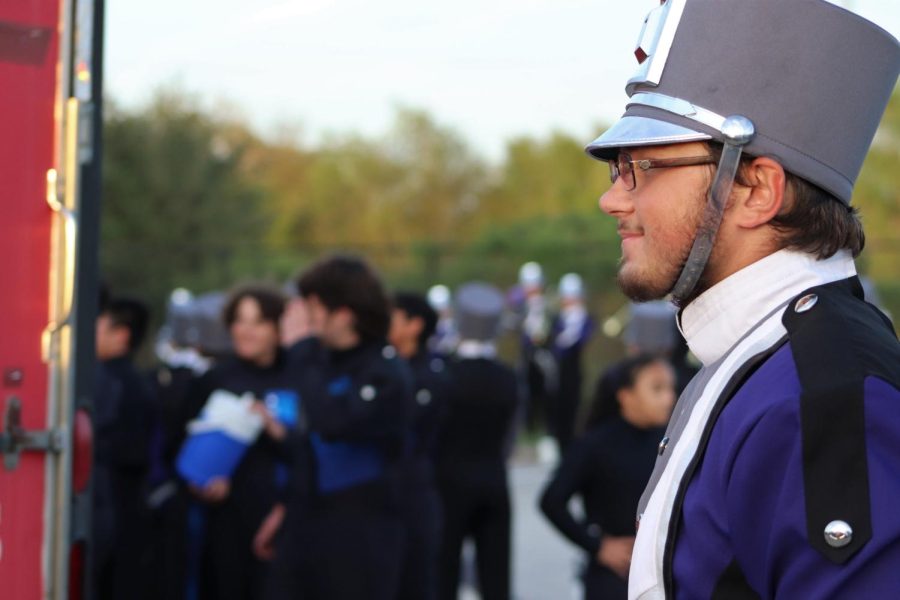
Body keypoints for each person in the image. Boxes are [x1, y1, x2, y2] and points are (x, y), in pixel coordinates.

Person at [584, 1, 900, 597]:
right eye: (616, 169)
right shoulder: (761, 356)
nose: (614, 200)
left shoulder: (824, 390)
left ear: (757, 191)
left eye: (644, 167)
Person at [260, 255, 414, 600]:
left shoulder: (385, 372)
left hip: (361, 533)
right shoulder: (318, 362)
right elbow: (306, 442)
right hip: (306, 524)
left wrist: (298, 348)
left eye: (313, 310)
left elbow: (334, 421)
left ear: (343, 314)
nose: (308, 321)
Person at [182, 284, 290, 600]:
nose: (247, 331)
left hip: (282, 514)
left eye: (257, 322)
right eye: (240, 321)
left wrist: (272, 425)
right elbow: (180, 441)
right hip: (224, 518)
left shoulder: (298, 375)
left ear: (276, 327)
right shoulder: (215, 378)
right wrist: (198, 483)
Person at [540, 355, 676, 599]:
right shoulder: (596, 444)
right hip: (615, 577)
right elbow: (551, 501)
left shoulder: (673, 440)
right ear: (625, 395)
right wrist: (598, 546)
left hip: (667, 573)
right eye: (657, 389)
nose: (669, 398)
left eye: (670, 388)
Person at [436, 282, 520, 600]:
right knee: (496, 578)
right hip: (493, 479)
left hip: (449, 482)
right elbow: (510, 433)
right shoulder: (507, 377)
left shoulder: (445, 374)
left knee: (444, 574)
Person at [390, 291, 451, 600]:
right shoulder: (380, 366)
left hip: (416, 490)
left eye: (393, 316)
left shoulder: (433, 374)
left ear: (414, 325)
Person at [93, 296, 155, 600]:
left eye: (98, 326)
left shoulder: (109, 382)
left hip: (112, 506)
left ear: (121, 335)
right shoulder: (137, 381)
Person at [549, 273, 594, 452]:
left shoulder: (585, 319)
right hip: (558, 372)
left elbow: (579, 340)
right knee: (558, 409)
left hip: (574, 372)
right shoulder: (557, 319)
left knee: (574, 410)